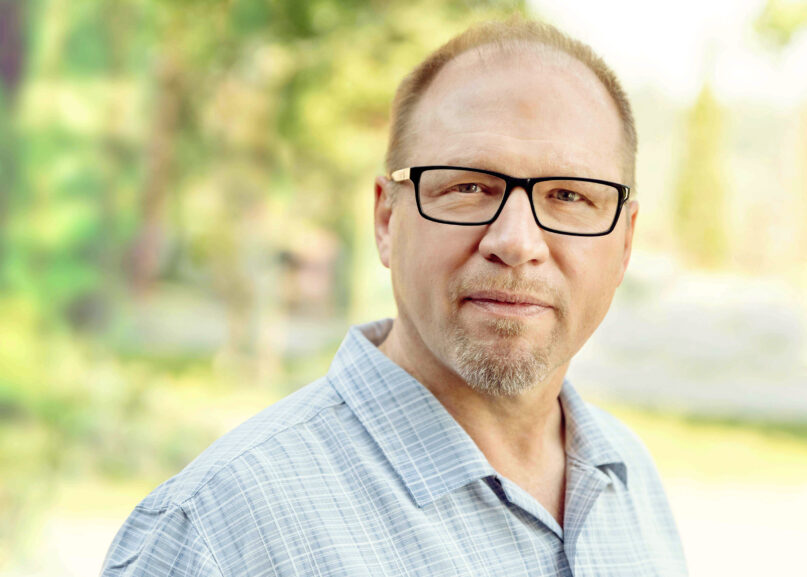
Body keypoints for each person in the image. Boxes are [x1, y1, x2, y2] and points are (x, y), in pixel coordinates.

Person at [101, 18, 687, 577]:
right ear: (386, 219)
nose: (515, 242)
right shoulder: (217, 534)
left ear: (626, 240)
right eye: (468, 187)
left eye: (569, 196)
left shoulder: (628, 476)